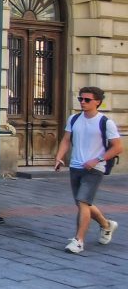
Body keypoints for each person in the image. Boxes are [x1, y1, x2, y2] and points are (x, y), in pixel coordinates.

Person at [54, 86, 121, 254]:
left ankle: (78, 241)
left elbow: (117, 148)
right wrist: (59, 157)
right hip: (75, 167)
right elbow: (66, 140)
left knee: (83, 202)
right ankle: (106, 225)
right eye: (80, 99)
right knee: (82, 202)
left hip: (95, 168)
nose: (82, 102)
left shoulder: (105, 122)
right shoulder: (74, 119)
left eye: (87, 100)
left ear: (97, 102)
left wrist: (97, 159)